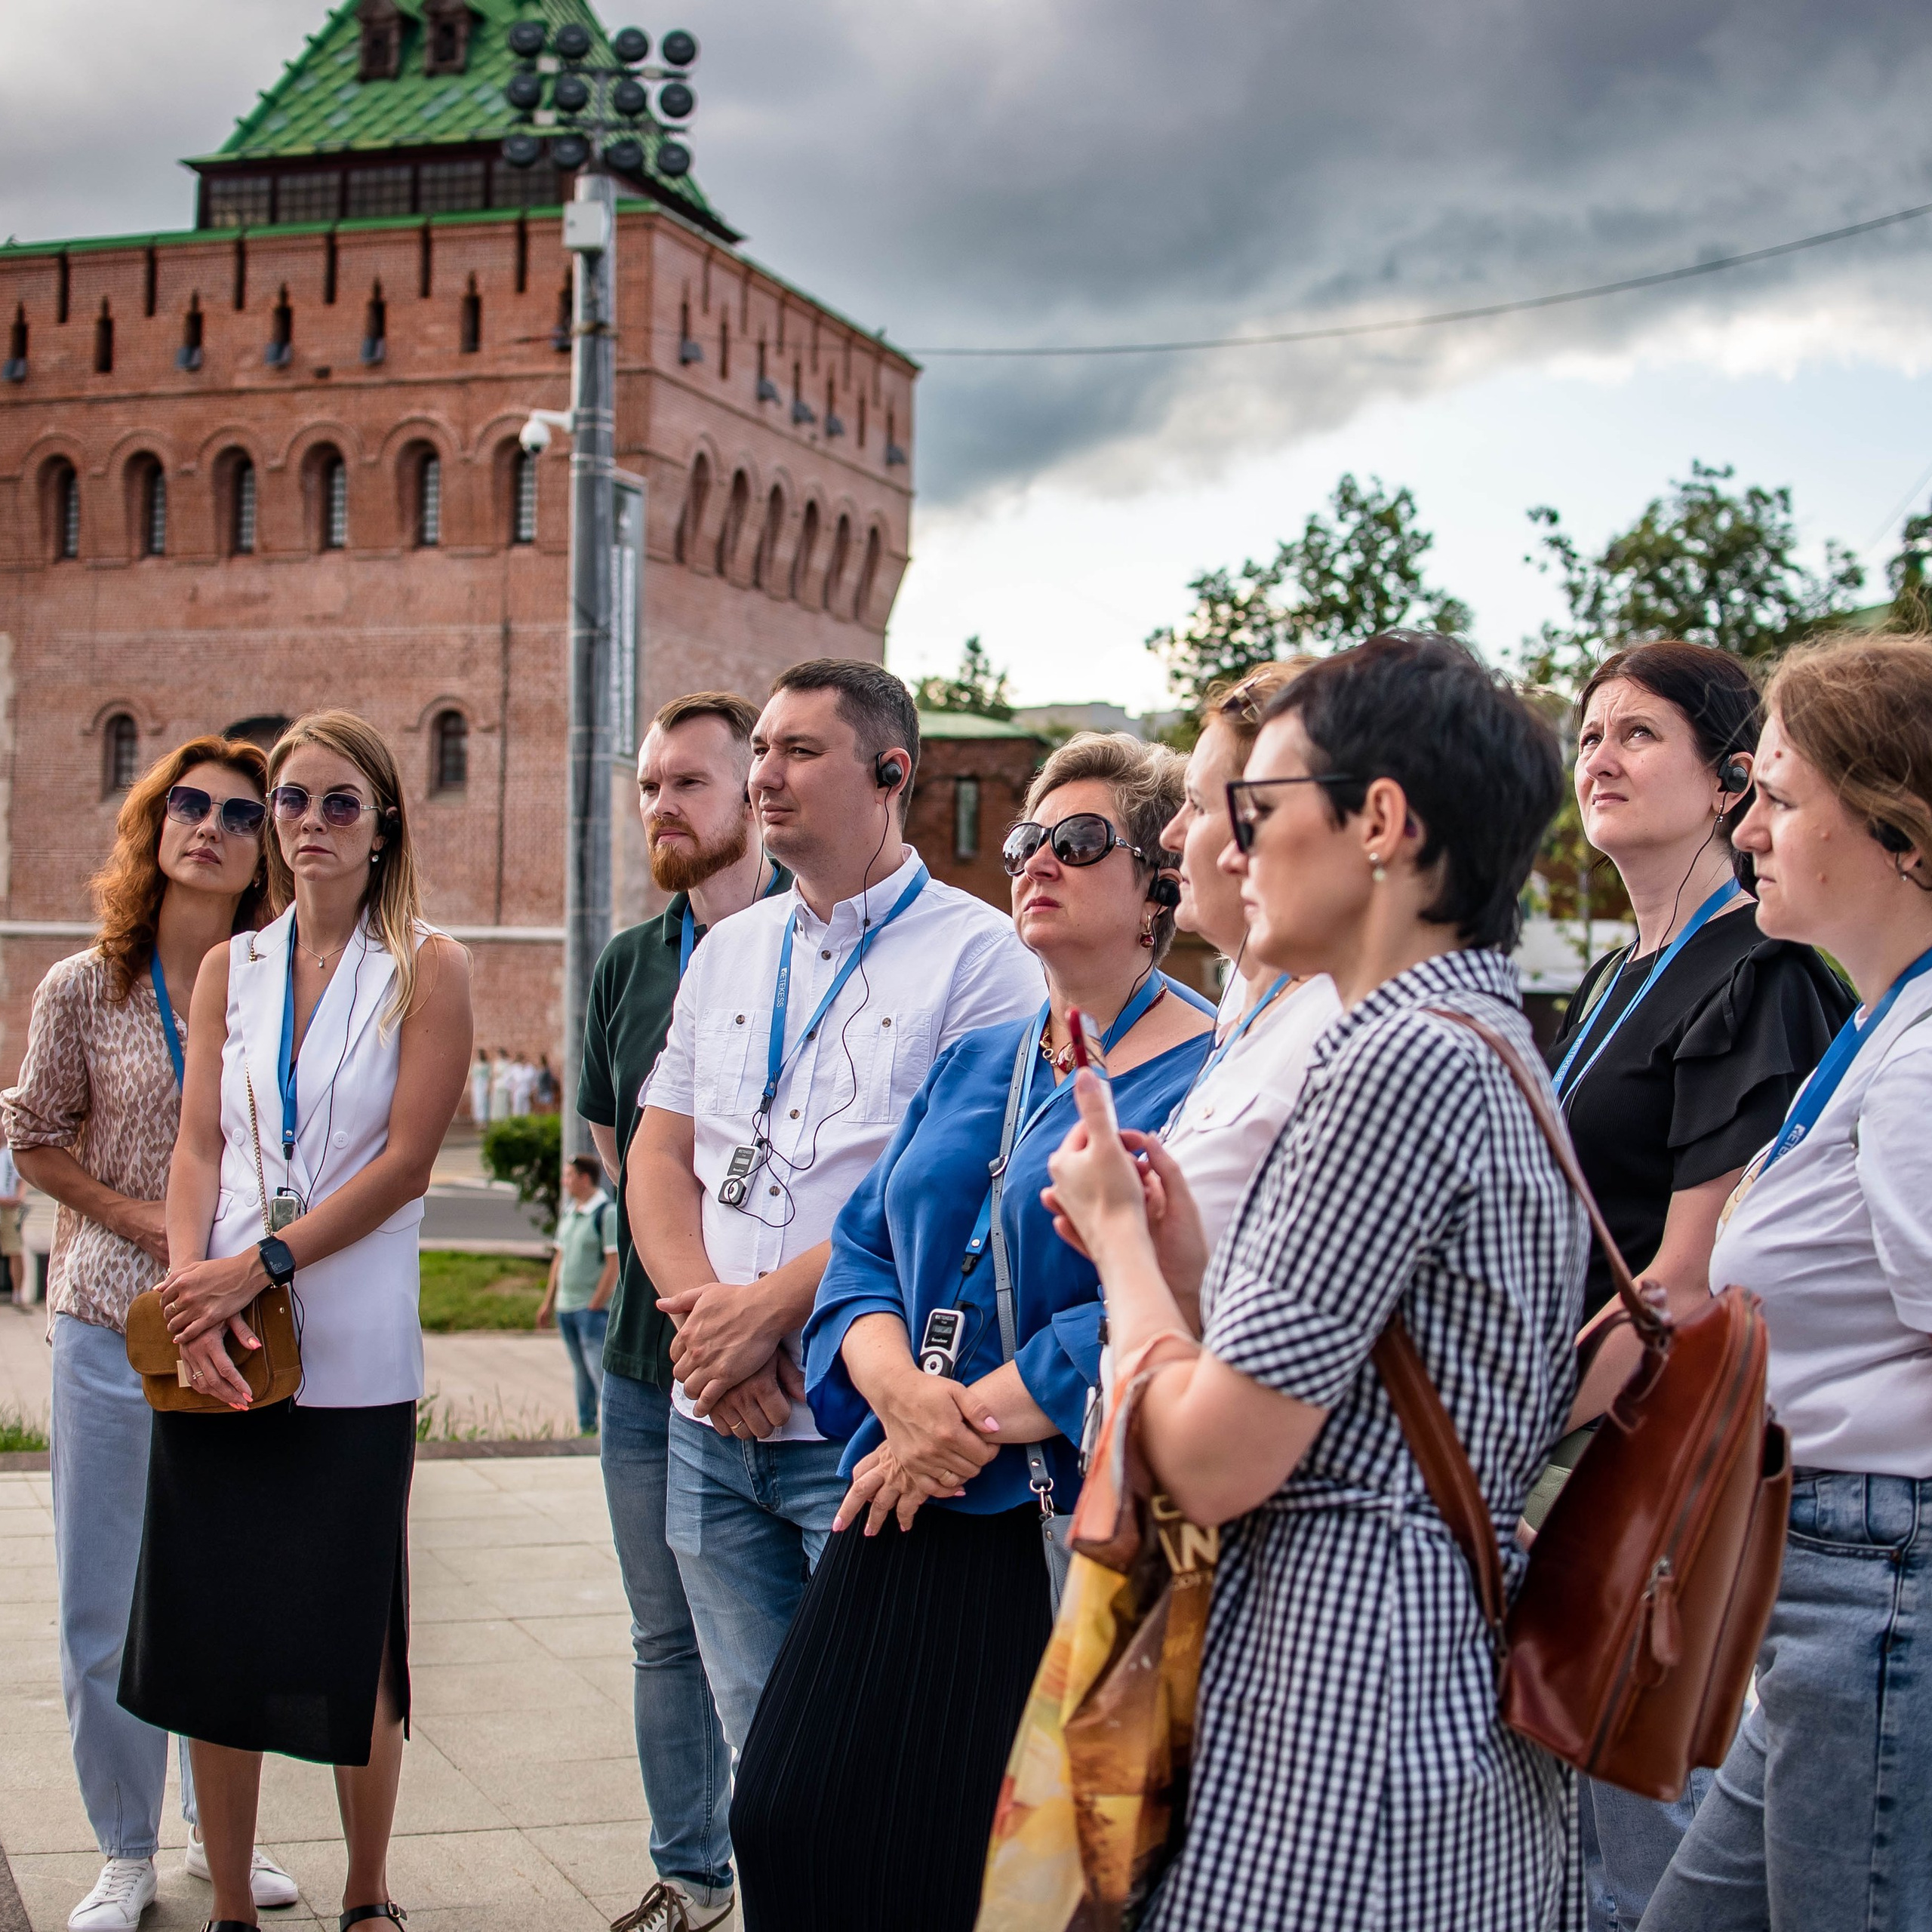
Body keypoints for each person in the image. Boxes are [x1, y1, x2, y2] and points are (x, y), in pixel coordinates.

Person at [1046, 632, 1585, 1931]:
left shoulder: (1393, 1062)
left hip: (1339, 1704)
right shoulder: (1483, 1039)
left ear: (1382, 822)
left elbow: (1218, 1457)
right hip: (1423, 1688)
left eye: (1262, 808)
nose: (1228, 848)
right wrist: (1179, 1263)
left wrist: (1120, 1240)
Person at [730, 734, 1214, 1931]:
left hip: (1046, 1512)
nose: (1039, 861)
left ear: (1162, 877)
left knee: (979, 1860)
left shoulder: (1209, 1072)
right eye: (1024, 842)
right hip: (904, 1482)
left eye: (1081, 841)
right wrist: (902, 1401)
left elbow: (1154, 1302)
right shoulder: (977, 1058)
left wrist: (962, 1420)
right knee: (783, 1811)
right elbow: (860, 1254)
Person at [629, 659, 1044, 1807]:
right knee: (758, 1759)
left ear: (891, 772)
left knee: (873, 1760)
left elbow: (956, 1200)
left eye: (800, 751)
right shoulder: (729, 951)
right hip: (713, 1418)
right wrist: (712, 1330)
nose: (765, 774)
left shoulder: (983, 961)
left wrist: (772, 1317)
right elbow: (660, 1156)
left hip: (860, 1436)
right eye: (761, 749)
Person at [118, 709, 472, 1932]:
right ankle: (229, 1905)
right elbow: (198, 1145)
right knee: (213, 1639)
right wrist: (190, 1294)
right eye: (292, 802)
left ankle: (369, 1894)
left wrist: (259, 1262)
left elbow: (407, 1162)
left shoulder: (430, 965)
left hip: (354, 1352)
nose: (309, 824)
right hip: (222, 1352)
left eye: (338, 804)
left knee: (352, 1634)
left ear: (383, 827)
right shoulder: (236, 967)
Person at [1545, 641, 1852, 1930]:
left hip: (1641, 1477)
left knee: (1638, 1864)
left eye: (1639, 735)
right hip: (1567, 1449)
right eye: (1589, 734)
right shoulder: (1618, 974)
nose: (1600, 758)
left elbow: (1689, 1285)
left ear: (1734, 782)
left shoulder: (1762, 975)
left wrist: (1479, 1428)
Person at [1644, 635, 1932, 1932]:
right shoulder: (1889, 1031)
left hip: (1876, 1598)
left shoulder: (1924, 1068)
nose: (1748, 826)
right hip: (1831, 1587)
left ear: (1895, 829)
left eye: (1780, 795)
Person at [0, 735, 299, 1932]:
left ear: (261, 850)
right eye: (188, 805)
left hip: (237, 1324)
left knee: (223, 1589)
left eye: (239, 813)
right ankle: (123, 1849)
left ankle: (213, 1831)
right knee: (101, 1600)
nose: (211, 826)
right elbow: (29, 1135)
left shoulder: (283, 991)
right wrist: (143, 1223)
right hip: (109, 1322)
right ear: (154, 827)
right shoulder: (85, 984)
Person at [580, 691, 790, 1932]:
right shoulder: (629, 961)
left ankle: (789, 1876)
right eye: (650, 785)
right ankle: (690, 1876)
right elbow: (621, 1149)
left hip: (787, 1372)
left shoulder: (808, 939)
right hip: (649, 1369)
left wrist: (752, 1328)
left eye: (688, 784)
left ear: (751, 798)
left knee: (771, 1648)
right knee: (663, 1637)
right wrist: (696, 1309)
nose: (661, 806)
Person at [1155, 663, 1341, 1289]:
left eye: (1200, 804)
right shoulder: (1248, 1001)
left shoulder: (1342, 1032)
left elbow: (1267, 1344)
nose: (1171, 834)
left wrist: (1116, 1229)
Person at [537, 1155, 617, 1434]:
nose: (565, 1181)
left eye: (569, 1175)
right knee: (579, 1370)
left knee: (598, 1371)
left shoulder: (606, 1213)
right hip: (565, 1307)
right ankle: (586, 1425)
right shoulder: (570, 1211)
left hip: (591, 1310)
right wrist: (548, 1302)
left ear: (585, 1178)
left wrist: (596, 1303)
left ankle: (611, 1428)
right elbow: (559, 1259)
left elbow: (613, 1264)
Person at [0, 1138, 23, 1306]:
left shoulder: (11, 1152)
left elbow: (21, 1179)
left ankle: (17, 1295)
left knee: (15, 1249)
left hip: (10, 1210)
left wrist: (20, 1198)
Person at [469, 1048, 491, 1128]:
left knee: (484, 1101)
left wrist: (488, 1086)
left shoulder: (486, 1065)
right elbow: (472, 1075)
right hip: (476, 1084)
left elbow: (489, 1076)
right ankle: (477, 1120)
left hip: (483, 1083)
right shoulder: (475, 1064)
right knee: (477, 1101)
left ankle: (483, 1120)